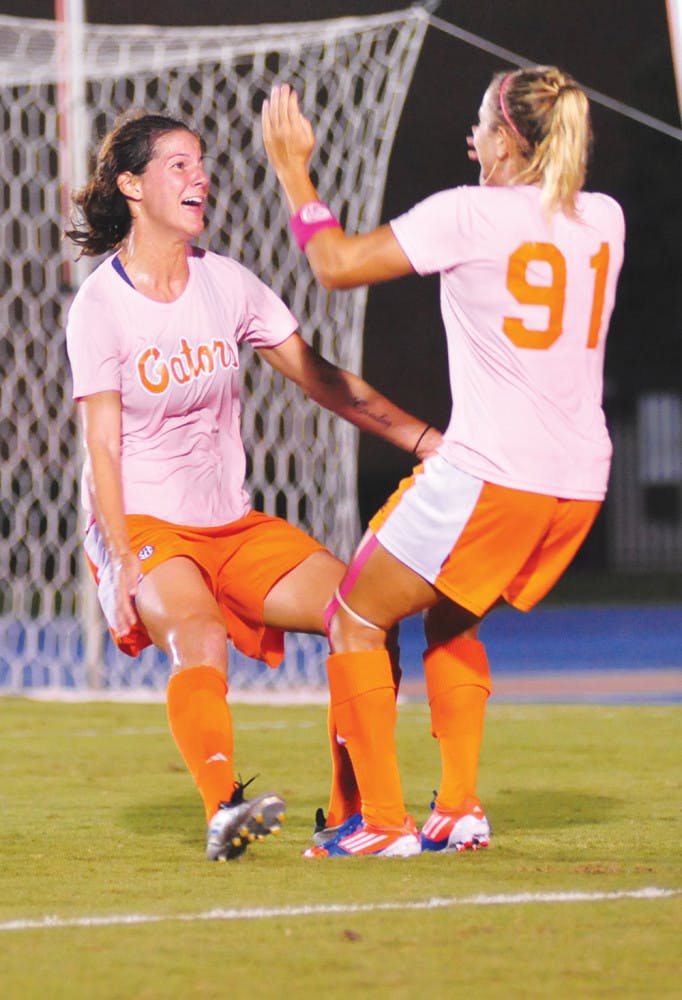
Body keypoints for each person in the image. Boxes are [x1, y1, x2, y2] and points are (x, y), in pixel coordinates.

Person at [262, 65, 625, 857]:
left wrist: (293, 169)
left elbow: (336, 265)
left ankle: (381, 822)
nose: (471, 139)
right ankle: (457, 806)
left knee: (354, 617)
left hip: (492, 472)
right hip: (578, 482)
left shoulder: (470, 213)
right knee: (451, 617)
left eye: (482, 125)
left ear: (508, 139)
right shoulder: (606, 217)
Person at [64, 110, 443, 862]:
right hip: (145, 522)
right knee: (201, 636)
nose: (199, 177)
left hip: (230, 524)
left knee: (364, 610)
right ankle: (223, 810)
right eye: (178, 164)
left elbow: (321, 379)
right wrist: (124, 554)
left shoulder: (227, 282)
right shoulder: (100, 306)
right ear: (132, 186)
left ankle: (353, 814)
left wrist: (424, 440)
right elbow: (101, 443)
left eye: (200, 162)